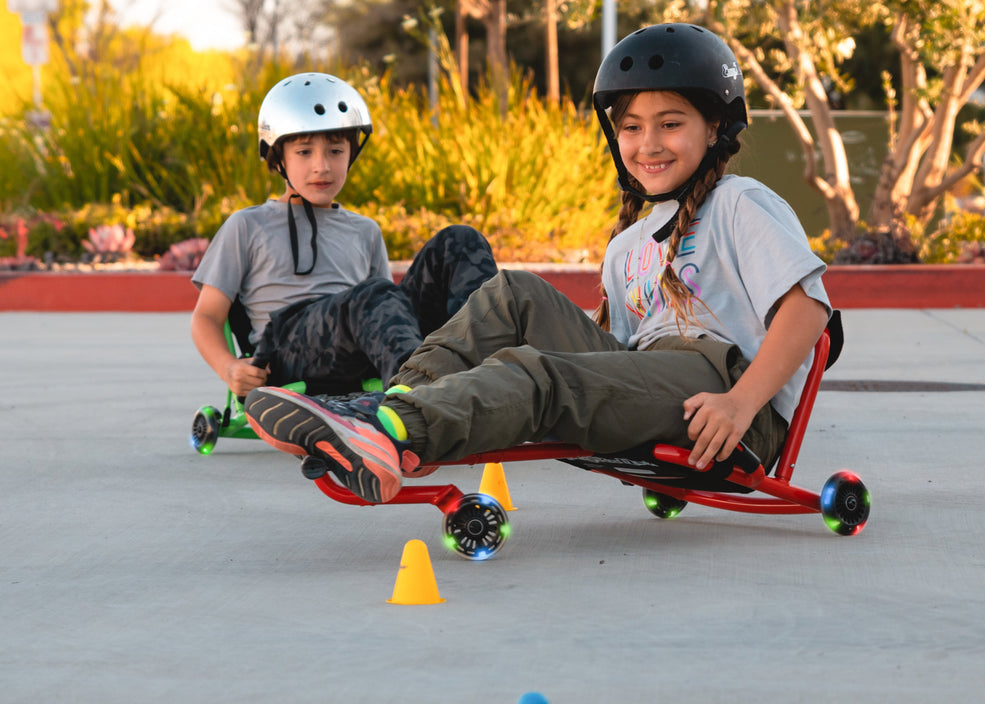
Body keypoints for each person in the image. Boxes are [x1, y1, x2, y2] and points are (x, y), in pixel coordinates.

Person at [242, 24, 832, 505]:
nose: (648, 143)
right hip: (651, 379)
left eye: (670, 124)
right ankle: (386, 412)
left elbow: (808, 312)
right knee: (515, 293)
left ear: (715, 126)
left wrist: (742, 402)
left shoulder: (739, 202)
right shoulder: (628, 245)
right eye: (631, 127)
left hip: (722, 402)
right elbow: (616, 361)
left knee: (536, 371)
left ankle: (402, 432)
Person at [190, 72, 498, 398]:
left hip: (361, 344)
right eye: (305, 152)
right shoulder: (248, 225)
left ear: (352, 153)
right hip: (289, 351)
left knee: (459, 241)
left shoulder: (365, 230)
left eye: (335, 151)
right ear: (277, 157)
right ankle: (418, 401)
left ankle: (483, 373)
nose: (322, 166)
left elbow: (391, 312)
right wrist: (229, 368)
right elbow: (206, 316)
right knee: (373, 295)